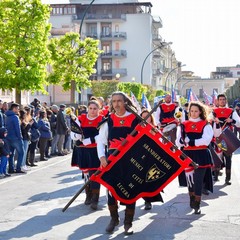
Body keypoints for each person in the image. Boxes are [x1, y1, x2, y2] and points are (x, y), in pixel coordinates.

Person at [97, 91, 140, 235]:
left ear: (125, 102)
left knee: (130, 190)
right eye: (114, 101)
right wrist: (102, 157)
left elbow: (142, 140)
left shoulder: (135, 119)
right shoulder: (108, 120)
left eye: (119, 101)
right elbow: (101, 141)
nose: (116, 104)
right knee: (111, 190)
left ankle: (128, 223)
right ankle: (114, 219)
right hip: (112, 160)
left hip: (130, 160)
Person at [176, 101, 213, 214]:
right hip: (187, 155)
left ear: (201, 111)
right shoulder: (183, 125)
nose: (193, 113)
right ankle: (192, 198)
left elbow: (207, 140)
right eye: (191, 111)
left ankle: (197, 203)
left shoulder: (206, 124)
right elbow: (178, 142)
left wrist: (192, 142)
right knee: (190, 181)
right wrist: (181, 141)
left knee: (198, 180)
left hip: (201, 154)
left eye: (196, 111)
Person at [71, 100, 103, 210]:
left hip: (95, 151)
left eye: (95, 109)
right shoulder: (81, 118)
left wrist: (90, 140)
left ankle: (95, 198)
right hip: (82, 151)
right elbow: (74, 131)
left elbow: (103, 136)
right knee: (86, 174)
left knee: (95, 175)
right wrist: (76, 137)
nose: (93, 111)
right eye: (91, 108)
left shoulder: (101, 120)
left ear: (99, 109)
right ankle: (88, 195)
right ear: (88, 108)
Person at [212, 94, 240, 185]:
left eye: (224, 99)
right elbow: (208, 122)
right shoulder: (213, 111)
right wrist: (214, 120)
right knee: (217, 156)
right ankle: (215, 175)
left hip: (228, 136)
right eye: (220, 99)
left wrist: (231, 121)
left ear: (226, 101)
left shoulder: (231, 111)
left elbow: (238, 122)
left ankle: (228, 178)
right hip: (217, 136)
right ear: (217, 101)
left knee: (228, 157)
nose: (222, 101)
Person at [5, 103, 25, 174]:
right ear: (14, 108)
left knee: (11, 154)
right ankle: (18, 168)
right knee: (21, 153)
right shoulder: (15, 117)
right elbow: (17, 129)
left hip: (8, 138)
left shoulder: (6, 116)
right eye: (17, 108)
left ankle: (11, 168)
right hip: (16, 138)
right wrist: (20, 138)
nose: (18, 110)